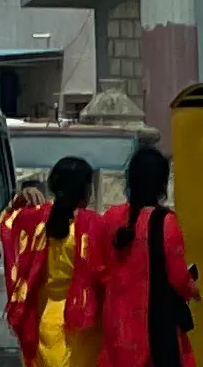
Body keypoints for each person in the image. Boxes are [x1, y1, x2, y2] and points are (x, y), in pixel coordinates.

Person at [77, 144, 193, 367]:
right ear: (161, 182)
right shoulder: (166, 223)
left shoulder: (110, 218)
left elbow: (97, 269)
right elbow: (178, 277)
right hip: (153, 328)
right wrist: (192, 289)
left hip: (116, 323)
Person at [3, 157, 99, 367]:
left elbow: (7, 222)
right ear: (85, 190)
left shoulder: (37, 222)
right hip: (81, 323)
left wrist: (18, 200)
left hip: (44, 323)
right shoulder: (91, 226)